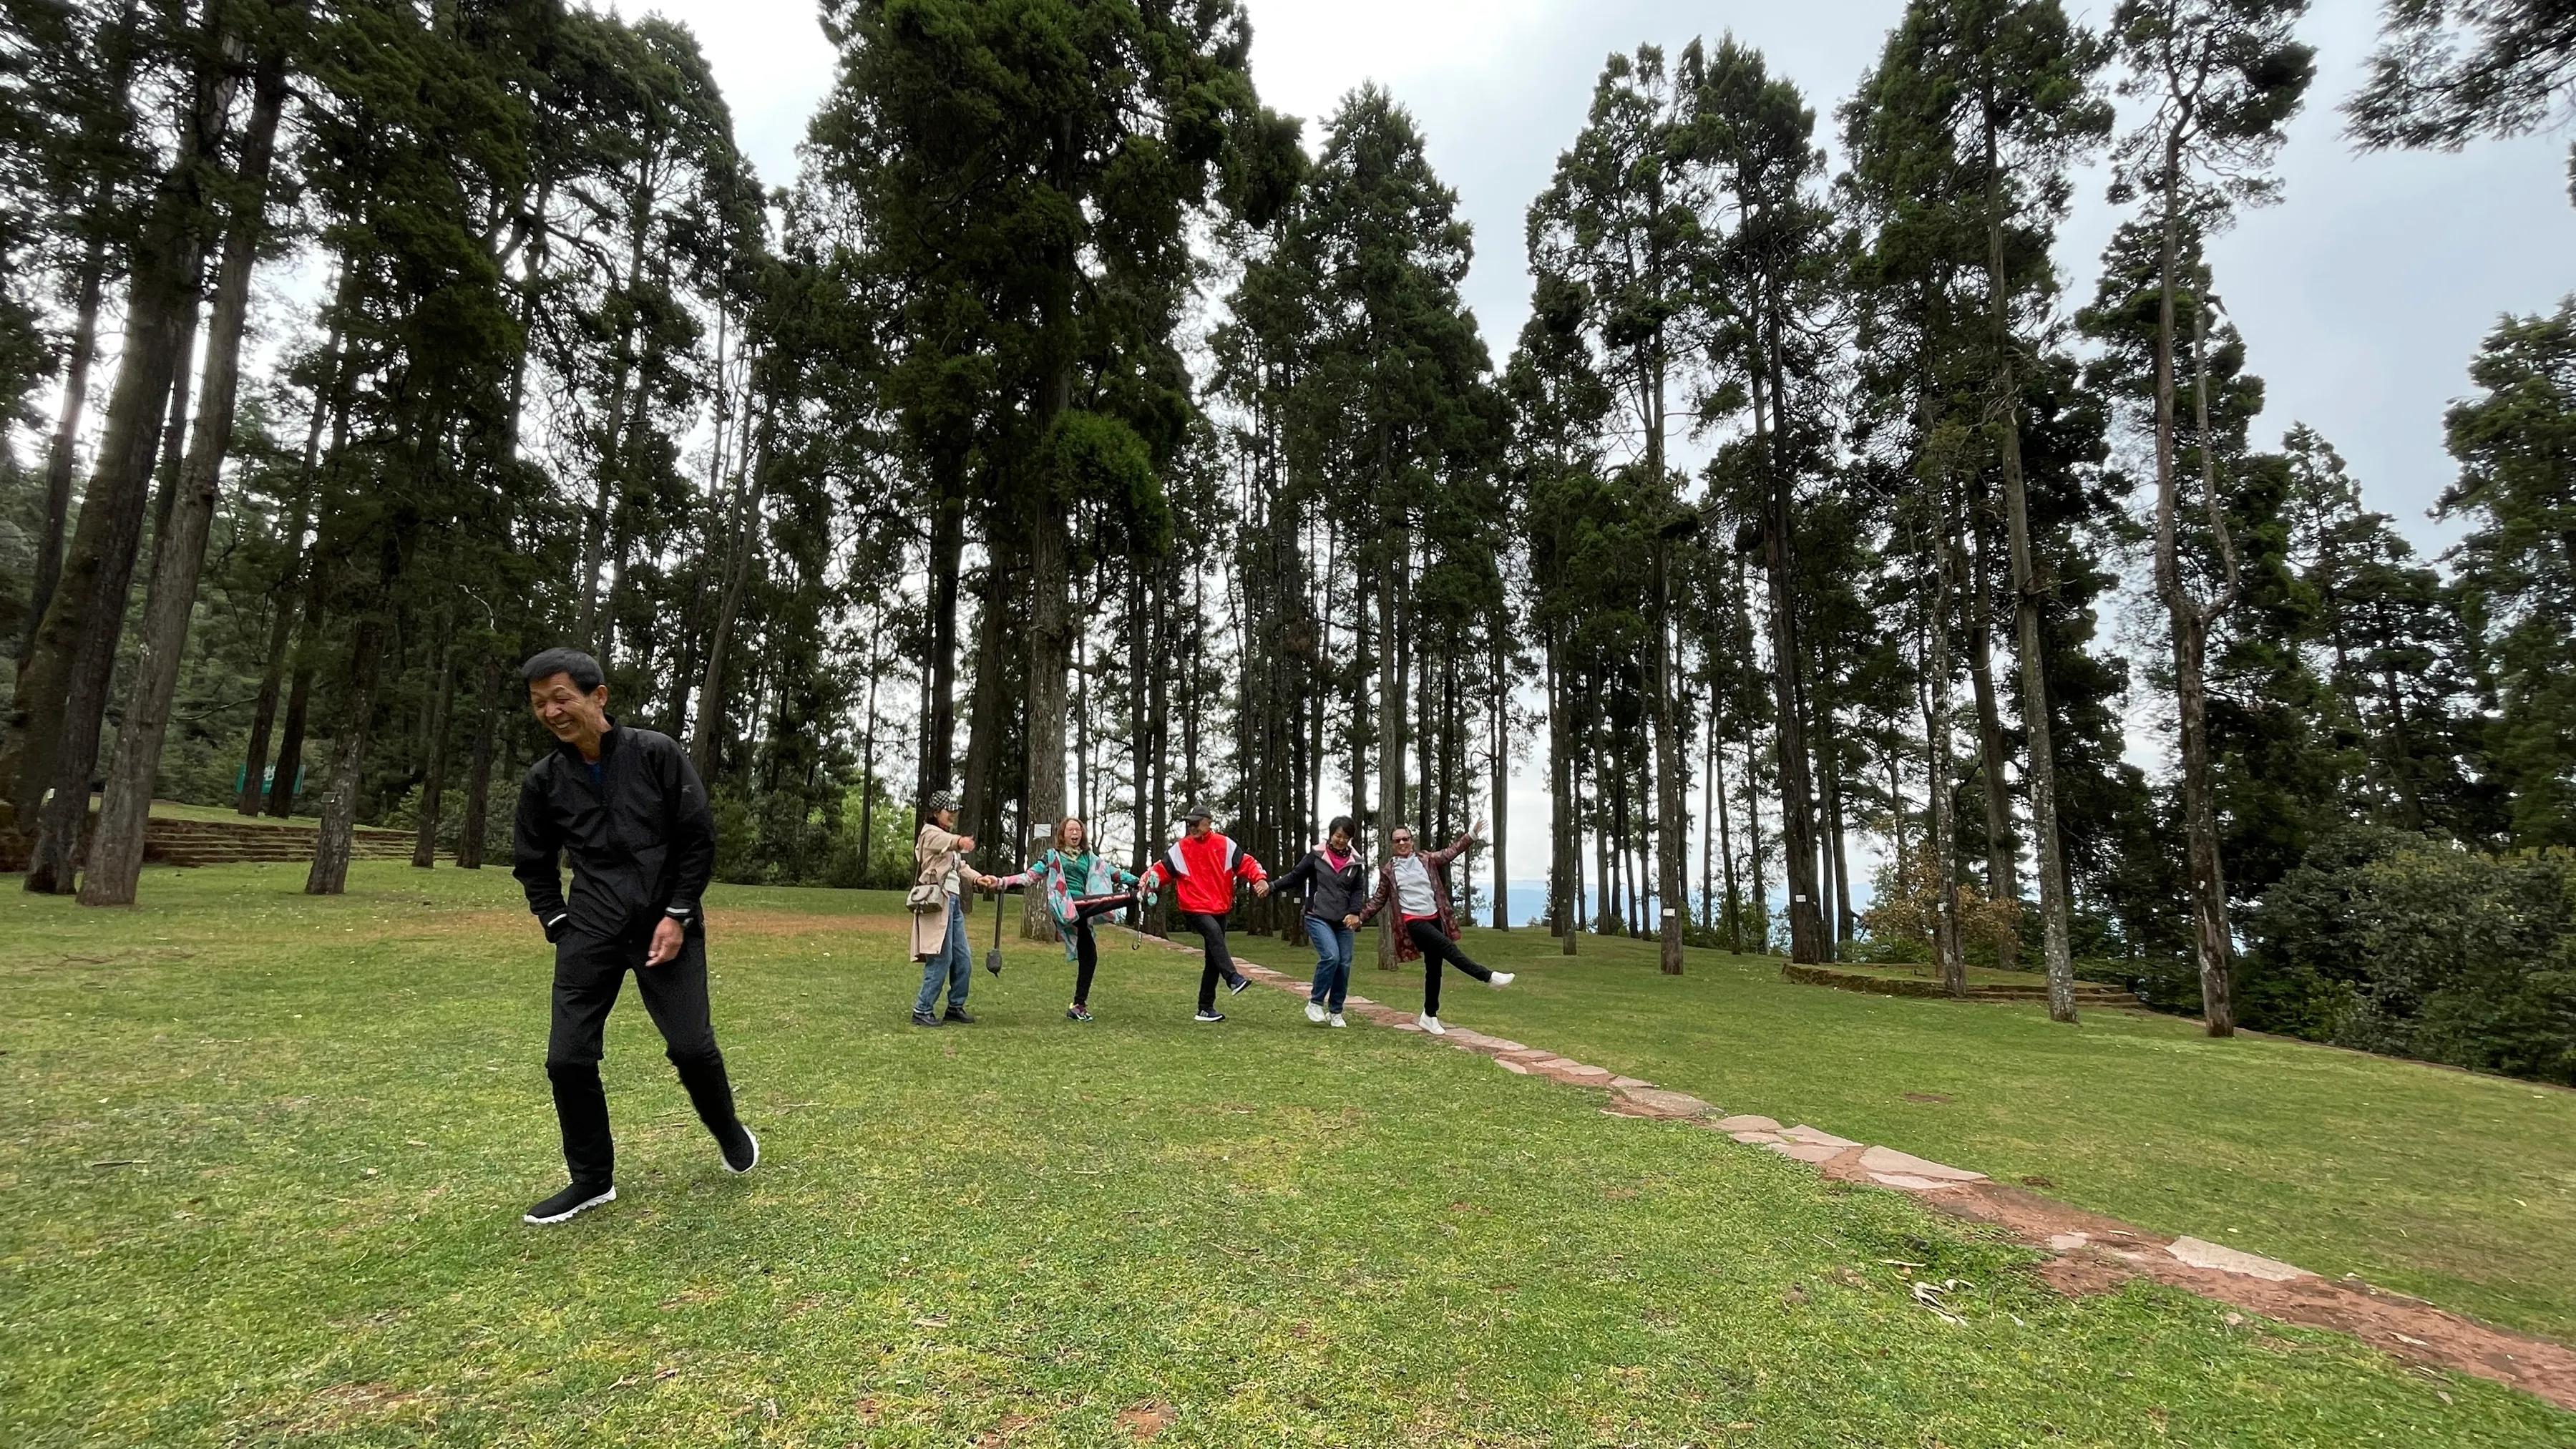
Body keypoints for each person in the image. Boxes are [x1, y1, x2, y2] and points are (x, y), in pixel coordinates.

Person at [512, 647, 756, 1226]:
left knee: (691, 1047)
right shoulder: (544, 781)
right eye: (540, 703)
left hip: (664, 922)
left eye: (561, 697)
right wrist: (557, 921)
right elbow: (533, 860)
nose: (550, 711)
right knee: (567, 1058)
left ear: (598, 696)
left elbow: (697, 838)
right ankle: (591, 1179)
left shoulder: (656, 753)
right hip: (589, 928)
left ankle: (727, 1128)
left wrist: (678, 913)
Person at [1350, 817, 1513, 1036]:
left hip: (1435, 918)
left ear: (1412, 841)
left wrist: (1472, 835)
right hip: (1413, 921)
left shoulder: (1426, 859)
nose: (1402, 843)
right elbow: (1379, 899)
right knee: (1448, 948)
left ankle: (1429, 1015)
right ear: (1392, 845)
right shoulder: (1389, 871)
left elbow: (1450, 853)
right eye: (1397, 841)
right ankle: (1489, 977)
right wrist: (1360, 918)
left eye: (1405, 839)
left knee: (1434, 969)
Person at [998, 816, 1143, 1022]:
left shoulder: (1090, 858)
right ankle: (1132, 898)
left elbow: (1116, 873)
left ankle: (1078, 1006)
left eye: (1078, 830)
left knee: (1090, 956)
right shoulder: (1052, 856)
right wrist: (1001, 883)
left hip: (1085, 908)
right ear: (1062, 835)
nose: (1075, 833)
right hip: (1064, 904)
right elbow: (1029, 877)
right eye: (1070, 830)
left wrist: (1140, 881)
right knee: (1094, 903)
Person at [1138, 806, 1269, 1022]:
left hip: (1220, 908)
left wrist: (1260, 879)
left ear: (1209, 822)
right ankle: (1233, 978)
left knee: (1213, 957)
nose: (1192, 827)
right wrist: (1146, 882)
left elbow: (1247, 863)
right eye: (1189, 823)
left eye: (1196, 823)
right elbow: (1160, 871)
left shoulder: (1225, 844)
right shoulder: (1181, 849)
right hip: (1194, 907)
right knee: (1214, 934)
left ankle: (1205, 1008)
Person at [912, 793, 1005, 1027]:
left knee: (963, 958)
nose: (952, 814)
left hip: (953, 904)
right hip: (937, 904)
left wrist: (978, 879)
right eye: (948, 810)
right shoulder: (929, 833)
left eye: (954, 810)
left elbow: (960, 866)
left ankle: (955, 1006)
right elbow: (948, 841)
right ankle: (922, 1010)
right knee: (941, 959)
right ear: (936, 812)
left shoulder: (946, 839)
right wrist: (960, 841)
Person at [1272, 815, 1369, 1028]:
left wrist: (1355, 912)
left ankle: (1336, 1011)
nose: (1341, 841)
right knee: (1331, 957)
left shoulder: (1355, 861)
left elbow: (1357, 890)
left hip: (1343, 920)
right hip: (1317, 916)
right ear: (1331, 834)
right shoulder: (1316, 855)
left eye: (1346, 837)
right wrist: (1272, 887)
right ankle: (1315, 1003)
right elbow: (1295, 876)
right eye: (1338, 836)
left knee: (1344, 964)